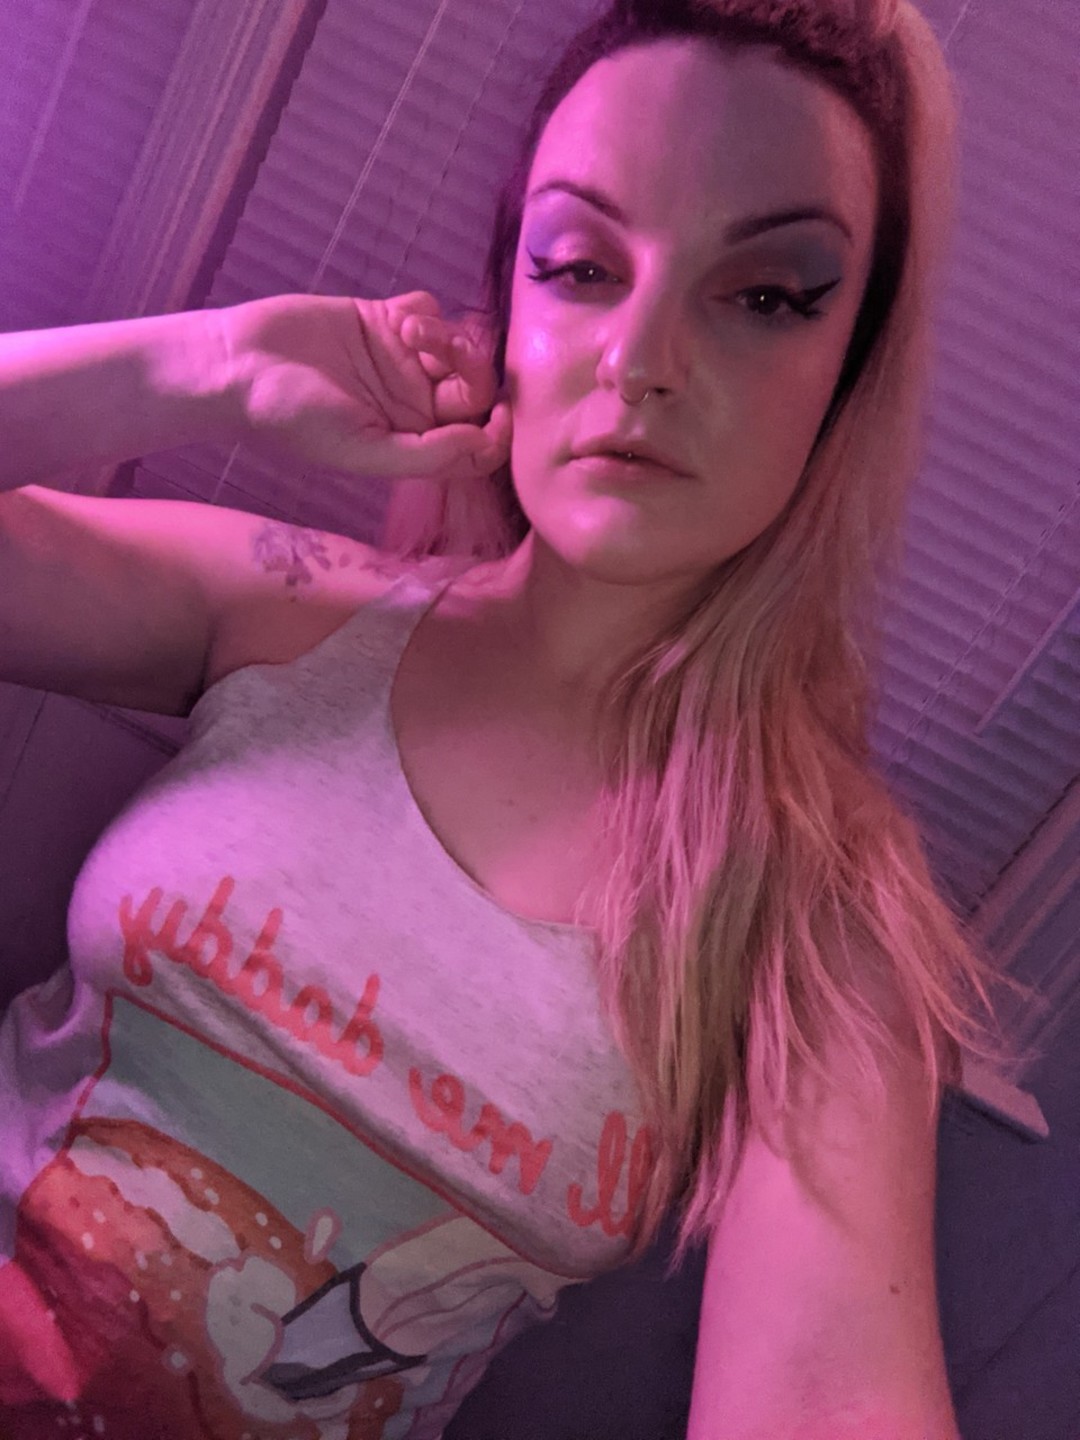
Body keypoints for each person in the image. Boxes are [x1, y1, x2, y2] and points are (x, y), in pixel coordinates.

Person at [0, 0, 1039, 1436]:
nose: (640, 357)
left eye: (765, 295)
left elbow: (825, 1392)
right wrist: (206, 367)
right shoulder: (295, 613)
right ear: (512, 311)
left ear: (847, 376)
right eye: (581, 267)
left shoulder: (815, 913)